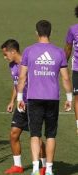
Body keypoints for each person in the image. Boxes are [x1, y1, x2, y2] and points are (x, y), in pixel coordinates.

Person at [17, 20, 72, 175]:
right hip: (52, 98)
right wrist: (69, 98)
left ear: (36, 33)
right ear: (51, 33)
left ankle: (35, 168)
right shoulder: (59, 52)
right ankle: (48, 169)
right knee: (51, 135)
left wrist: (19, 98)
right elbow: (66, 78)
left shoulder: (29, 51)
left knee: (35, 133)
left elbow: (22, 77)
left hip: (34, 97)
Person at [1, 39, 46, 174]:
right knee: (14, 134)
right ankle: (17, 166)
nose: (5, 57)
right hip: (20, 105)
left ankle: (44, 166)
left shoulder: (29, 65)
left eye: (6, 54)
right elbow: (17, 85)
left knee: (35, 136)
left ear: (13, 51)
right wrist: (12, 101)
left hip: (33, 104)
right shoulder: (12, 66)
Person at [64, 5, 78, 134]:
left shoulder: (73, 29)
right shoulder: (73, 29)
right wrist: (63, 64)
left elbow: (68, 48)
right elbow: (68, 48)